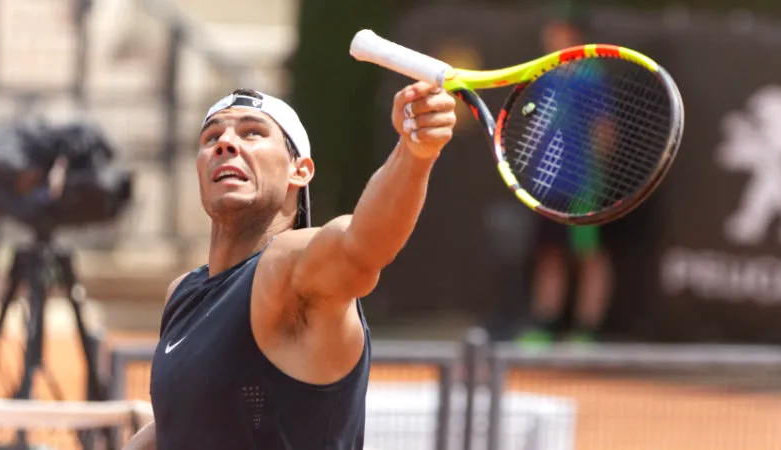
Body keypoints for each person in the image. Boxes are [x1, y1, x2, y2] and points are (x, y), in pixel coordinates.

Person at [123, 83, 457, 449]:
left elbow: (363, 245)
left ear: (300, 170)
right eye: (211, 137)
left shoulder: (289, 267)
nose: (225, 143)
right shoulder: (183, 291)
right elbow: (188, 421)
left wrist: (413, 153)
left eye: (252, 132)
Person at [515, 3, 615, 347]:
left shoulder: (590, 77)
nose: (549, 35)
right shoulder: (545, 76)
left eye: (557, 29)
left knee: (588, 255)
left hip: (583, 184)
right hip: (547, 182)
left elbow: (604, 132)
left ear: (573, 34)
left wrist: (592, 177)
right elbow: (535, 119)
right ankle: (545, 325)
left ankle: (587, 330)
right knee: (549, 253)